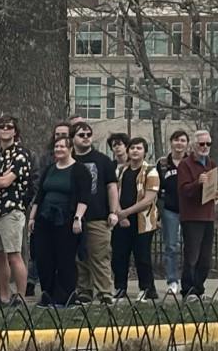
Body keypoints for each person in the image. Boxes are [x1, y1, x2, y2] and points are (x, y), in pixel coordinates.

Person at [0, 116, 34, 307]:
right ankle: (4, 296)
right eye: (1, 127)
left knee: (14, 254)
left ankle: (21, 296)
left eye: (9, 127)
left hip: (12, 209)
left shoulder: (21, 154)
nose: (5, 130)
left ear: (15, 131)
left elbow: (6, 181)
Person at [29, 133, 90, 308]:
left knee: (65, 259)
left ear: (70, 148)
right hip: (45, 219)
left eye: (62, 146)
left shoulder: (79, 170)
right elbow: (40, 194)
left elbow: (84, 197)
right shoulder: (50, 169)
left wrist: (78, 218)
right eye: (56, 147)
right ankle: (48, 295)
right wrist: (32, 217)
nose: (59, 149)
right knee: (43, 258)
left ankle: (65, 297)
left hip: (67, 219)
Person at [68, 121, 115, 303]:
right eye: (81, 135)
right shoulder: (69, 160)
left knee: (100, 254)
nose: (86, 138)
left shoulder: (103, 160)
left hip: (98, 215)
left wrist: (113, 212)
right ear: (73, 138)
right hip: (73, 217)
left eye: (88, 134)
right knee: (79, 257)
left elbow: (112, 188)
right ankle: (84, 290)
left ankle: (104, 292)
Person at [109, 135, 159, 302]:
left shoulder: (150, 171)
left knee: (142, 256)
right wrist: (119, 213)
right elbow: (113, 192)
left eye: (139, 148)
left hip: (143, 221)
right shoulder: (121, 170)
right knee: (119, 256)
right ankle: (120, 288)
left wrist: (127, 212)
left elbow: (149, 199)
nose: (135, 151)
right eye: (132, 148)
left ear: (145, 151)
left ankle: (146, 289)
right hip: (121, 220)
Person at [177, 129, 218, 299]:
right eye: (202, 144)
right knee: (192, 256)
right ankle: (188, 289)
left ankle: (199, 288)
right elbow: (184, 190)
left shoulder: (211, 164)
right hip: (192, 216)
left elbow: (210, 188)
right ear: (194, 145)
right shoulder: (185, 164)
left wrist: (216, 192)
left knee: (205, 258)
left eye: (208, 144)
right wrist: (197, 183)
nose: (205, 147)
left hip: (208, 215)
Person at [157, 129, 188, 297]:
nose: (179, 143)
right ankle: (172, 280)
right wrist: (159, 214)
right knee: (171, 246)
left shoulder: (192, 162)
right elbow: (156, 190)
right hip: (169, 210)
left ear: (187, 144)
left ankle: (188, 280)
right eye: (176, 140)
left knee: (190, 247)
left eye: (183, 140)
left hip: (189, 210)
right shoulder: (162, 164)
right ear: (171, 142)